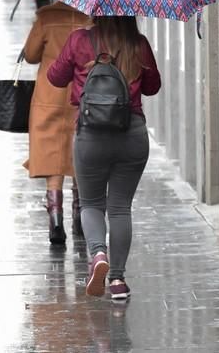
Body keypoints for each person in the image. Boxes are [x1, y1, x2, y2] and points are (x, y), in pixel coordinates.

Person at [47, 16, 161, 299]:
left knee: (91, 203)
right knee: (121, 207)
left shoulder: (79, 40)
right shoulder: (139, 44)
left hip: (91, 135)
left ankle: (98, 253)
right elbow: (152, 87)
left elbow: (55, 77)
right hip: (132, 133)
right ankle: (118, 281)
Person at [23, 1, 92, 245]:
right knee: (79, 153)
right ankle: (80, 216)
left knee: (52, 157)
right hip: (81, 94)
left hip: (49, 95)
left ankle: (55, 219)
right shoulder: (90, 16)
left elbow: (31, 56)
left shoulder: (46, 16)